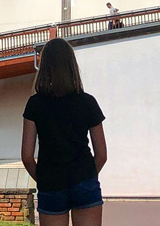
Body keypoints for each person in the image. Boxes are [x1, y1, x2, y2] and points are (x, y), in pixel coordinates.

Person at [21, 38, 107, 226]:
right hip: (84, 179)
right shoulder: (87, 102)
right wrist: (88, 176)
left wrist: (44, 179)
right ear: (71, 65)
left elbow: (27, 156)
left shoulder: (35, 104)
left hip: (51, 184)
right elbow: (101, 154)